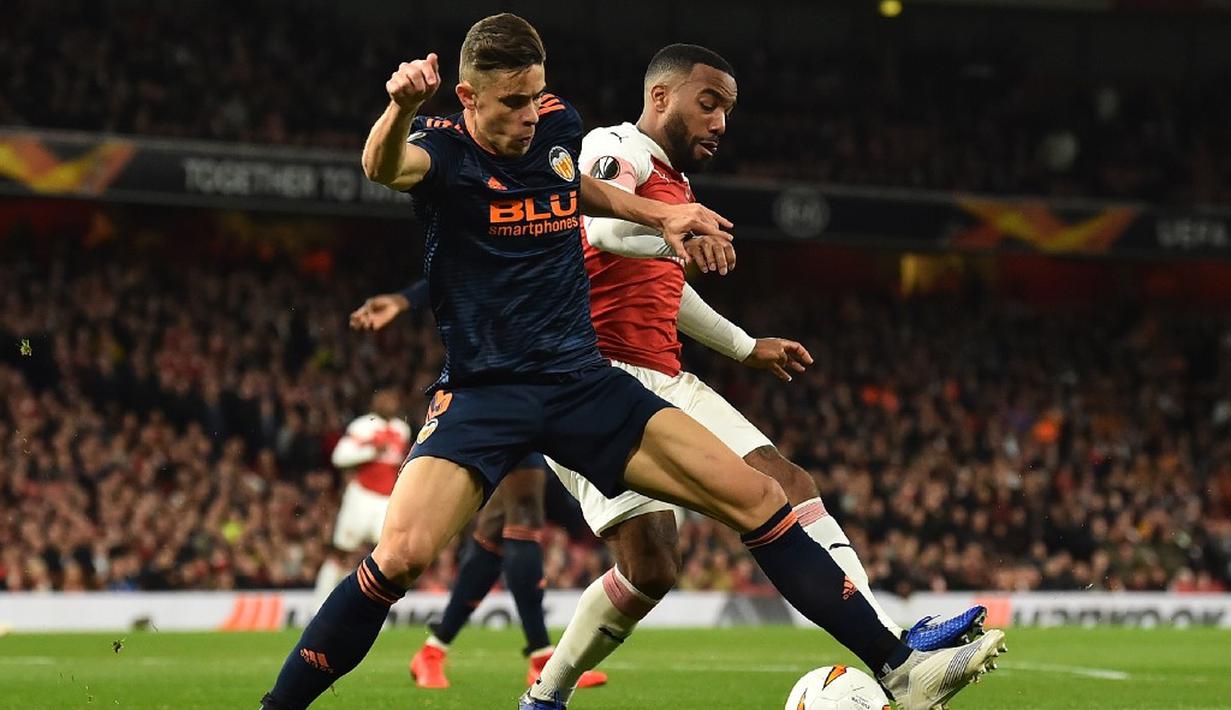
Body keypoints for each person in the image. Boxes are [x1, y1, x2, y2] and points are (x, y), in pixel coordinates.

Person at [258, 14, 1003, 710]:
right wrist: (395, 108)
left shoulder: (556, 126)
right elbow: (382, 166)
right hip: (486, 391)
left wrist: (663, 213)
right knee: (400, 557)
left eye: (535, 94)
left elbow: (570, 185)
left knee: (758, 497)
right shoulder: (444, 149)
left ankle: (897, 667)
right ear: (467, 96)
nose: (528, 113)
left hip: (583, 383)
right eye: (510, 102)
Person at [349, 284, 608, 691]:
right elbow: (453, 266)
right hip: (498, 388)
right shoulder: (513, 242)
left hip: (528, 384)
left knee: (492, 540)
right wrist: (405, 300)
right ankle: (541, 657)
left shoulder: (537, 250)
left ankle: (433, 651)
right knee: (524, 512)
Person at [312, 388, 411, 610]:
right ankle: (318, 605)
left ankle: (372, 609)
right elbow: (340, 456)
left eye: (393, 398)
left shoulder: (401, 429)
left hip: (386, 500)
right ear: (376, 401)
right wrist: (371, 451)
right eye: (385, 398)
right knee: (342, 552)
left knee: (387, 556)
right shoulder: (363, 426)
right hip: (361, 497)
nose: (389, 402)